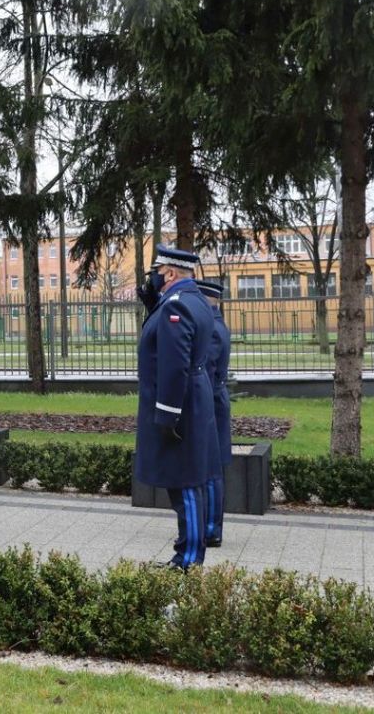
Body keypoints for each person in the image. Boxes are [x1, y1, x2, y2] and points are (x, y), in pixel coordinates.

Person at [133, 244, 221, 570]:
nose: (153, 278)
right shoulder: (192, 300)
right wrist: (152, 305)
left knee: (183, 485)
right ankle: (187, 553)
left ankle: (188, 559)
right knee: (187, 482)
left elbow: (173, 364)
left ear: (169, 273)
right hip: (193, 401)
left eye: (157, 273)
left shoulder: (178, 307)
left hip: (179, 405)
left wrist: (168, 414)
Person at [197, 279, 232, 548]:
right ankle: (209, 526)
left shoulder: (211, 331)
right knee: (211, 466)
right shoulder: (217, 324)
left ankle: (211, 528)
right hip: (216, 398)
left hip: (211, 400)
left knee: (211, 469)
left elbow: (205, 370)